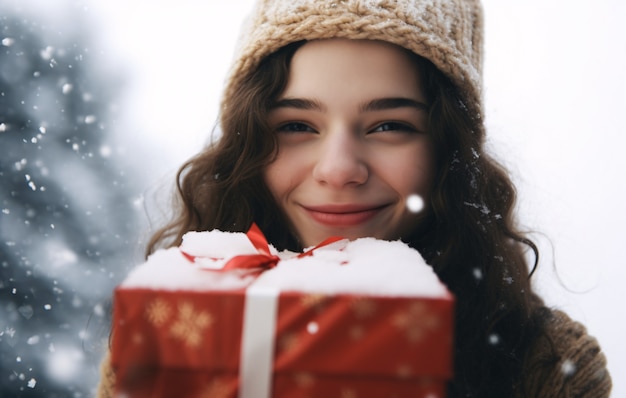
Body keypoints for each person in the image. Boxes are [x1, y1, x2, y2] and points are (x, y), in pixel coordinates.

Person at [98, 0, 612, 396]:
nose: (339, 169)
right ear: (248, 142)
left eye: (390, 125)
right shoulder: (178, 327)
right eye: (297, 125)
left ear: (448, 149)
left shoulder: (547, 366)